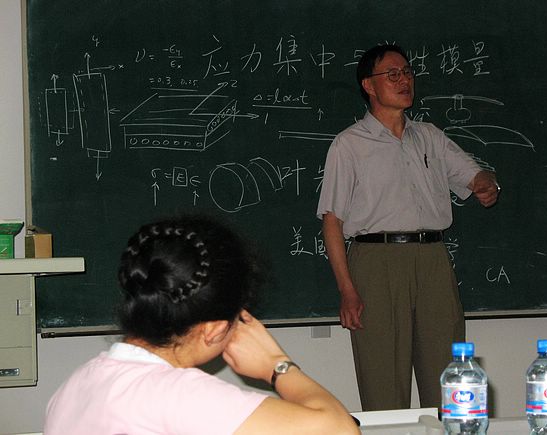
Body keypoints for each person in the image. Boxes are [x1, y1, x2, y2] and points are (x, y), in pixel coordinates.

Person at [44, 215, 360, 435]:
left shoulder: (76, 384)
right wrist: (277, 366)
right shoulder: (179, 396)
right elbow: (341, 431)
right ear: (214, 330)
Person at [316, 44, 500, 411]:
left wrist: (486, 183)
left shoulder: (429, 135)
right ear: (369, 85)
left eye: (407, 73)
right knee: (383, 382)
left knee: (448, 378)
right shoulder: (349, 145)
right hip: (376, 261)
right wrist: (347, 290)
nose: (404, 80)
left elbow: (474, 174)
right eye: (393, 74)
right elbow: (332, 221)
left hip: (432, 260)